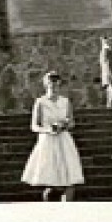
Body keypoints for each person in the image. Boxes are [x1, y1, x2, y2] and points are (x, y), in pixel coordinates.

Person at [21, 71, 84, 201]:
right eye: (51, 85)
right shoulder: (40, 102)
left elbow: (72, 122)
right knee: (51, 179)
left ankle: (68, 206)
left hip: (63, 140)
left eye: (56, 85)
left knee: (69, 176)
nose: (54, 88)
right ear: (46, 85)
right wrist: (48, 130)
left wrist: (64, 125)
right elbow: (34, 126)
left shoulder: (65, 102)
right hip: (48, 141)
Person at [99, 37, 112, 108]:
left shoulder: (104, 51)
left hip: (106, 74)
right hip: (109, 74)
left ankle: (110, 108)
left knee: (109, 94)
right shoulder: (106, 51)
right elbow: (108, 65)